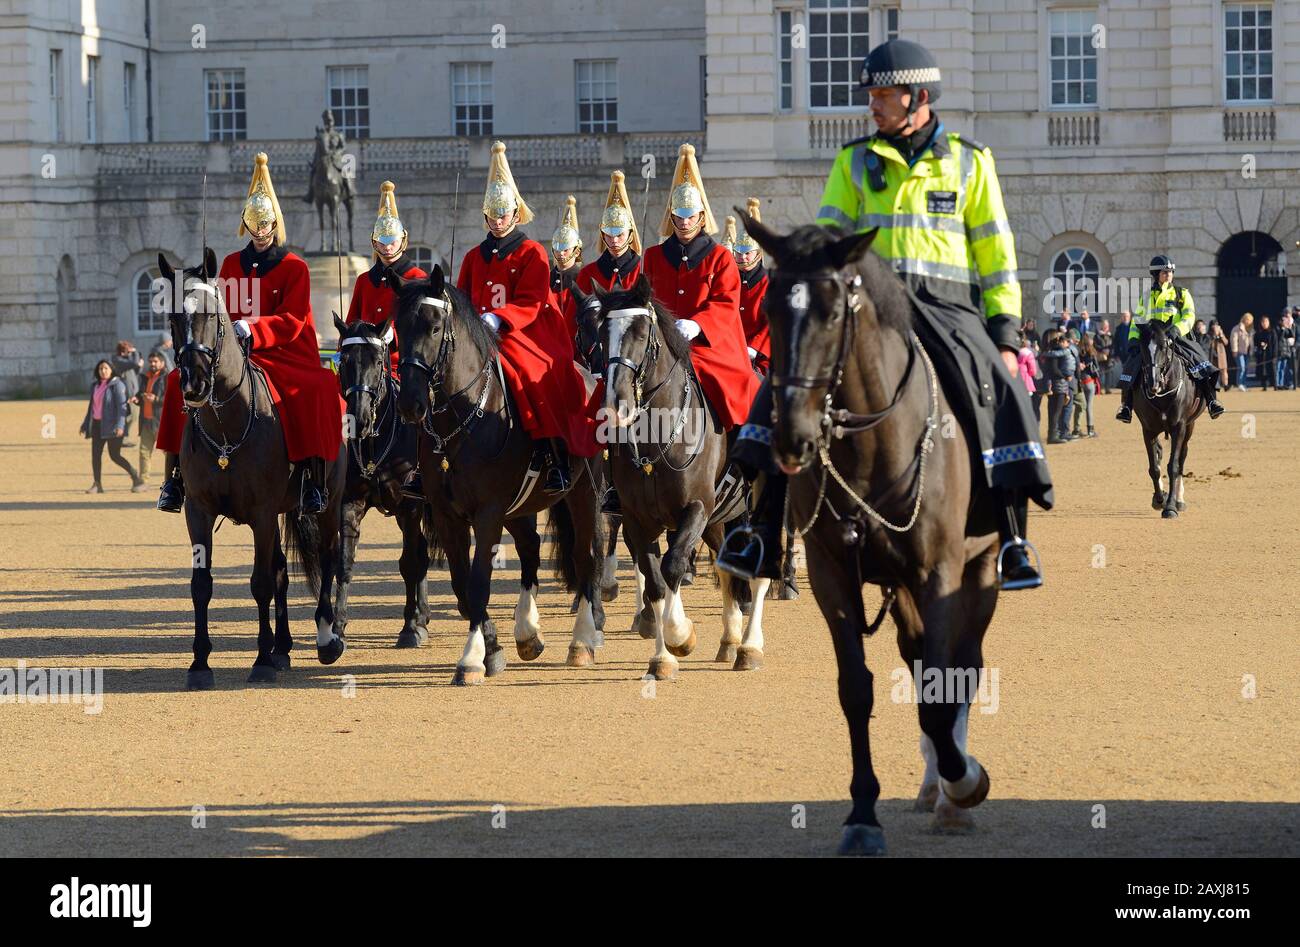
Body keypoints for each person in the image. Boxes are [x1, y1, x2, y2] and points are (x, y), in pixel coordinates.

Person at [719, 38, 1052, 590]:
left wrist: (1006, 335)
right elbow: (829, 237)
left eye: (882, 93)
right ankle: (760, 530)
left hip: (946, 307)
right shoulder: (853, 161)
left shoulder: (971, 162)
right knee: (785, 384)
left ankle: (1013, 537)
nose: (872, 103)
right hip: (870, 307)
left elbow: (996, 254)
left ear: (917, 96)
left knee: (999, 389)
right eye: (871, 93)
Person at [155, 152, 344, 514]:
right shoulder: (228, 264)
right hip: (234, 354)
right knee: (177, 381)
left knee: (317, 388)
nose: (260, 231)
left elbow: (294, 319)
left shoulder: (295, 267)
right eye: (254, 223)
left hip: (282, 353)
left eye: (266, 223)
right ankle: (174, 478)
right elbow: (215, 313)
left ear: (276, 224)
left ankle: (312, 480)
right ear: (246, 223)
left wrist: (253, 328)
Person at [456, 141, 600, 494]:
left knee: (531, 377)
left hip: (523, 335)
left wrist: (499, 319)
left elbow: (533, 300)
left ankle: (553, 455)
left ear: (516, 214)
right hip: (479, 336)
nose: (498, 220)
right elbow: (460, 298)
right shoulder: (474, 256)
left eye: (503, 213)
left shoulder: (532, 252)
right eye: (492, 214)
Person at [641, 143, 759, 434]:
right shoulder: (654, 256)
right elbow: (646, 298)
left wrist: (697, 325)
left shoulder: (719, 257)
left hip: (707, 344)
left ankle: (739, 447)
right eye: (678, 216)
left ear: (701, 217)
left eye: (690, 215)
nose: (683, 222)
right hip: (664, 343)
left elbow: (726, 302)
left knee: (736, 386)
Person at [346, 181, 428, 499]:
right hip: (369, 369)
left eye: (392, 239)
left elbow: (424, 325)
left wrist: (396, 334)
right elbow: (353, 321)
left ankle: (425, 466)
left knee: (426, 410)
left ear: (403, 241)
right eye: (382, 240)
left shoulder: (417, 278)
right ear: (374, 242)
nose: (387, 245)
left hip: (404, 364)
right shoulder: (364, 281)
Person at [1116, 256, 1224, 422]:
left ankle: (1211, 401)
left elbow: (1189, 315)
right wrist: (1133, 340)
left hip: (1176, 337)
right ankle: (1126, 406)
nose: (1169, 274)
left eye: (1171, 271)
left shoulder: (1182, 293)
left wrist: (1176, 329)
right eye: (1165, 272)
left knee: (1199, 361)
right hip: (1152, 338)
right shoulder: (1146, 296)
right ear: (1156, 274)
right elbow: (1137, 319)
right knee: (1132, 365)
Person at [720, 198, 772, 374]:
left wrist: (755, 347)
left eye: (748, 253)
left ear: (757, 253)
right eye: (739, 253)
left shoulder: (769, 282)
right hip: (730, 349)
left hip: (761, 355)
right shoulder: (729, 280)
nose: (742, 258)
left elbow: (770, 323)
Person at [80, 359, 144, 493]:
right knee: (95, 456)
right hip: (97, 425)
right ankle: (97, 484)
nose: (103, 371)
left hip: (113, 426)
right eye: (101, 369)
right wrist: (85, 424)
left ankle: (135, 477)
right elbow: (91, 407)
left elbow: (122, 409)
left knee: (115, 455)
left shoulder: (118, 385)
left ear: (111, 370)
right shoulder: (95, 386)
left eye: (106, 369)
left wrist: (120, 426)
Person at [549, 195, 583, 338]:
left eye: (565, 249)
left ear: (576, 251)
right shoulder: (547, 277)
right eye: (557, 249)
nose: (561, 254)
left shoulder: (581, 278)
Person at [132, 350, 166, 482]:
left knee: (168, 453)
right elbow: (141, 394)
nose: (152, 364)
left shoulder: (168, 378)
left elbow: (172, 399)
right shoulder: (145, 377)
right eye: (150, 361)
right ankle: (143, 481)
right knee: (144, 452)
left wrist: (156, 399)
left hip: (161, 422)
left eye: (155, 361)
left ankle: (176, 480)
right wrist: (138, 399)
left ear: (162, 363)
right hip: (146, 421)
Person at [1040, 330, 1074, 445]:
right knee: (1056, 411)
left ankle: (1053, 434)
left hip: (1053, 384)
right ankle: (1053, 435)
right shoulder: (1054, 352)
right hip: (1058, 384)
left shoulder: (1047, 351)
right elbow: (1054, 369)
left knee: (1053, 410)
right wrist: (1065, 376)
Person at [112, 340, 143, 443]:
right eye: (128, 351)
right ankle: (121, 437)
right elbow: (134, 363)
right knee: (128, 416)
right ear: (122, 351)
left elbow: (136, 371)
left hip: (133, 393)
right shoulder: (118, 360)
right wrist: (135, 353)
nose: (130, 353)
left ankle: (122, 436)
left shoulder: (126, 360)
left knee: (133, 416)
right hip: (125, 394)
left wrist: (139, 366)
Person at [1075, 333, 1100, 437]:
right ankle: (1090, 430)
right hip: (1089, 381)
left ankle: (1076, 429)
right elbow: (1096, 368)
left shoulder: (1078, 352)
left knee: (1079, 406)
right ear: (1090, 340)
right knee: (1089, 406)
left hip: (1080, 381)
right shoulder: (1092, 352)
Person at [1230, 313, 1253, 390]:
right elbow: (1234, 340)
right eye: (1248, 320)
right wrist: (1234, 350)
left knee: (1246, 368)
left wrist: (1252, 350)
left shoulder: (1251, 329)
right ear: (1244, 319)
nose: (1249, 322)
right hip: (1239, 352)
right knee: (1241, 368)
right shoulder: (1237, 328)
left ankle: (1244, 383)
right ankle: (1239, 384)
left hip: (1248, 352)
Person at [1207, 319, 1230, 391]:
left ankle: (1226, 385)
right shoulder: (1208, 334)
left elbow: (1226, 342)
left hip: (1221, 355)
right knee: (1214, 372)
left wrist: (1221, 335)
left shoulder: (1221, 333)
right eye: (1214, 326)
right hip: (1212, 355)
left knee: (1224, 370)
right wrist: (1213, 335)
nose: (1215, 327)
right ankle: (1216, 385)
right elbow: (1208, 343)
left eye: (1216, 326)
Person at [1254, 315, 1275, 391]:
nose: (1264, 323)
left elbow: (1274, 344)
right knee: (1262, 370)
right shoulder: (1258, 333)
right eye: (1263, 322)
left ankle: (1274, 384)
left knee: (1271, 370)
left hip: (1270, 354)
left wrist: (1274, 354)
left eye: (1266, 321)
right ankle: (1264, 385)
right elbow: (1256, 343)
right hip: (1261, 354)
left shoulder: (1272, 332)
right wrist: (1260, 344)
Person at [1276, 313, 1296, 390]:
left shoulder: (1287, 329)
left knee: (1284, 368)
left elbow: (1292, 335)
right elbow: (1280, 337)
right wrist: (1283, 329)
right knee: (1278, 368)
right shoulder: (1278, 329)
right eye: (1283, 321)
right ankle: (1278, 384)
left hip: (1286, 352)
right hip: (1279, 351)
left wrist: (1289, 327)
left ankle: (1283, 383)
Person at [1095, 319, 1113, 393]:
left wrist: (1109, 351)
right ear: (1102, 326)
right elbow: (1095, 345)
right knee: (1101, 374)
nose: (1105, 327)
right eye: (1104, 325)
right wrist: (1102, 350)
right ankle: (1100, 388)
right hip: (1101, 357)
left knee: (1108, 373)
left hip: (1109, 357)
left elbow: (1113, 345)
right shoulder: (1098, 335)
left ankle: (1107, 388)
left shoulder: (1111, 335)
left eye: (1107, 325)